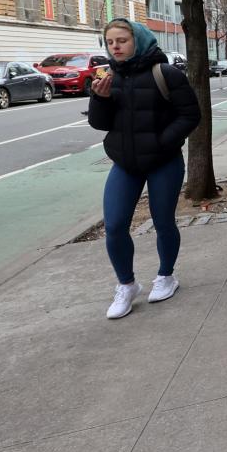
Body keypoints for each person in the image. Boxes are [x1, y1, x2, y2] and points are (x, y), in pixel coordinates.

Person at [88, 18, 201, 319]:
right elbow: (100, 123)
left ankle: (166, 276)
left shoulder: (165, 73)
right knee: (113, 225)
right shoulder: (108, 77)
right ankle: (127, 285)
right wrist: (99, 98)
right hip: (125, 164)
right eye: (110, 42)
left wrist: (162, 142)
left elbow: (190, 115)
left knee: (162, 221)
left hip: (163, 161)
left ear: (137, 39)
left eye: (122, 40)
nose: (115, 46)